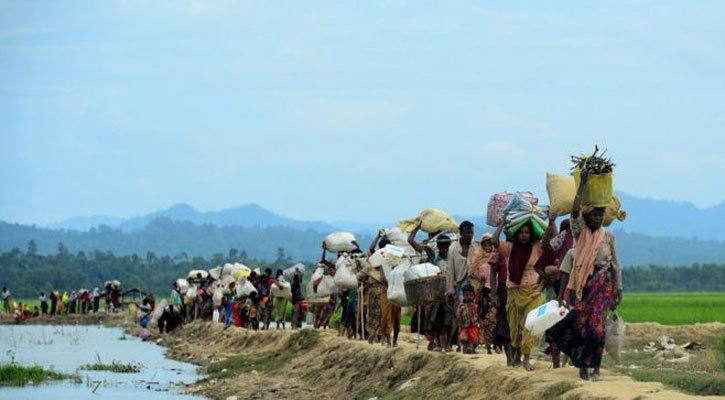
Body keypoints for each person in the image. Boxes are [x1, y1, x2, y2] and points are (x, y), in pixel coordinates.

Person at [546, 170, 623, 382]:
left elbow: (616, 265)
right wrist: (583, 184)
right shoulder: (580, 232)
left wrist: (618, 289)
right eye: (594, 215)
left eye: (600, 215)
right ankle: (581, 365)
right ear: (587, 217)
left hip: (603, 285)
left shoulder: (609, 237)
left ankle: (595, 368)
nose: (598, 218)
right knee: (581, 325)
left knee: (598, 328)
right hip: (584, 284)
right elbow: (574, 211)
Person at [493, 219, 544, 371]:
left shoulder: (537, 248)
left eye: (527, 232)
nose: (523, 235)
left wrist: (551, 222)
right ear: (516, 233)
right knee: (514, 327)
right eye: (521, 232)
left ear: (531, 234)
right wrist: (501, 224)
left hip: (533, 291)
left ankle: (526, 358)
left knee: (530, 324)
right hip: (514, 291)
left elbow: (550, 241)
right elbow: (495, 241)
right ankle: (516, 353)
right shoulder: (509, 248)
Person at [407, 223, 453, 352]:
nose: (444, 248)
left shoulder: (452, 258)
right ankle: (437, 343)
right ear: (438, 246)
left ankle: (446, 344)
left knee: (448, 320)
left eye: (446, 246)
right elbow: (410, 241)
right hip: (435, 295)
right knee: (435, 320)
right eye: (441, 246)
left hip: (448, 294)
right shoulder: (432, 256)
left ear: (449, 247)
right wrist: (417, 227)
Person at [539, 214, 574, 368]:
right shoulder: (564, 237)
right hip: (561, 287)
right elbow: (546, 247)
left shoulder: (593, 238)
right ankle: (556, 365)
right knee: (556, 324)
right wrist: (550, 223)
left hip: (580, 287)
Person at [469, 233, 506, 354]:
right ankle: (483, 344)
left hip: (496, 290)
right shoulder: (478, 256)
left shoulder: (498, 256)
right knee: (483, 319)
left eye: (490, 245)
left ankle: (496, 344)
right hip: (484, 292)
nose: (488, 247)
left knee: (495, 319)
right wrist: (480, 278)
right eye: (485, 245)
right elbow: (471, 273)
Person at [457, 285, 479, 354]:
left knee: (475, 340)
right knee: (463, 338)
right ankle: (467, 347)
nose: (468, 297)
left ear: (474, 295)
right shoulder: (461, 306)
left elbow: (478, 314)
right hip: (465, 326)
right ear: (463, 295)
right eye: (466, 295)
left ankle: (472, 348)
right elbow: (458, 315)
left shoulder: (476, 305)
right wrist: (460, 325)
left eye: (470, 295)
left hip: (474, 326)